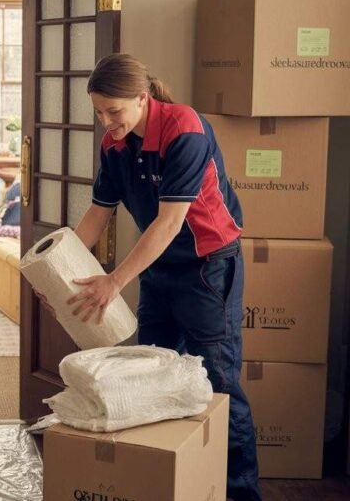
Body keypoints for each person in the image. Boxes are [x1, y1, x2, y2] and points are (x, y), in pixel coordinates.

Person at [38, 53, 262, 501]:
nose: (106, 121)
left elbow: (169, 223)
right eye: (99, 111)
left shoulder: (185, 129)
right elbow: (97, 216)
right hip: (158, 268)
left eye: (114, 111)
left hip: (207, 267)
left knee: (218, 384)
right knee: (151, 380)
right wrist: (60, 280)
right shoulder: (114, 146)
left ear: (142, 98)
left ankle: (238, 493)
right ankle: (170, 482)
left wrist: (114, 281)